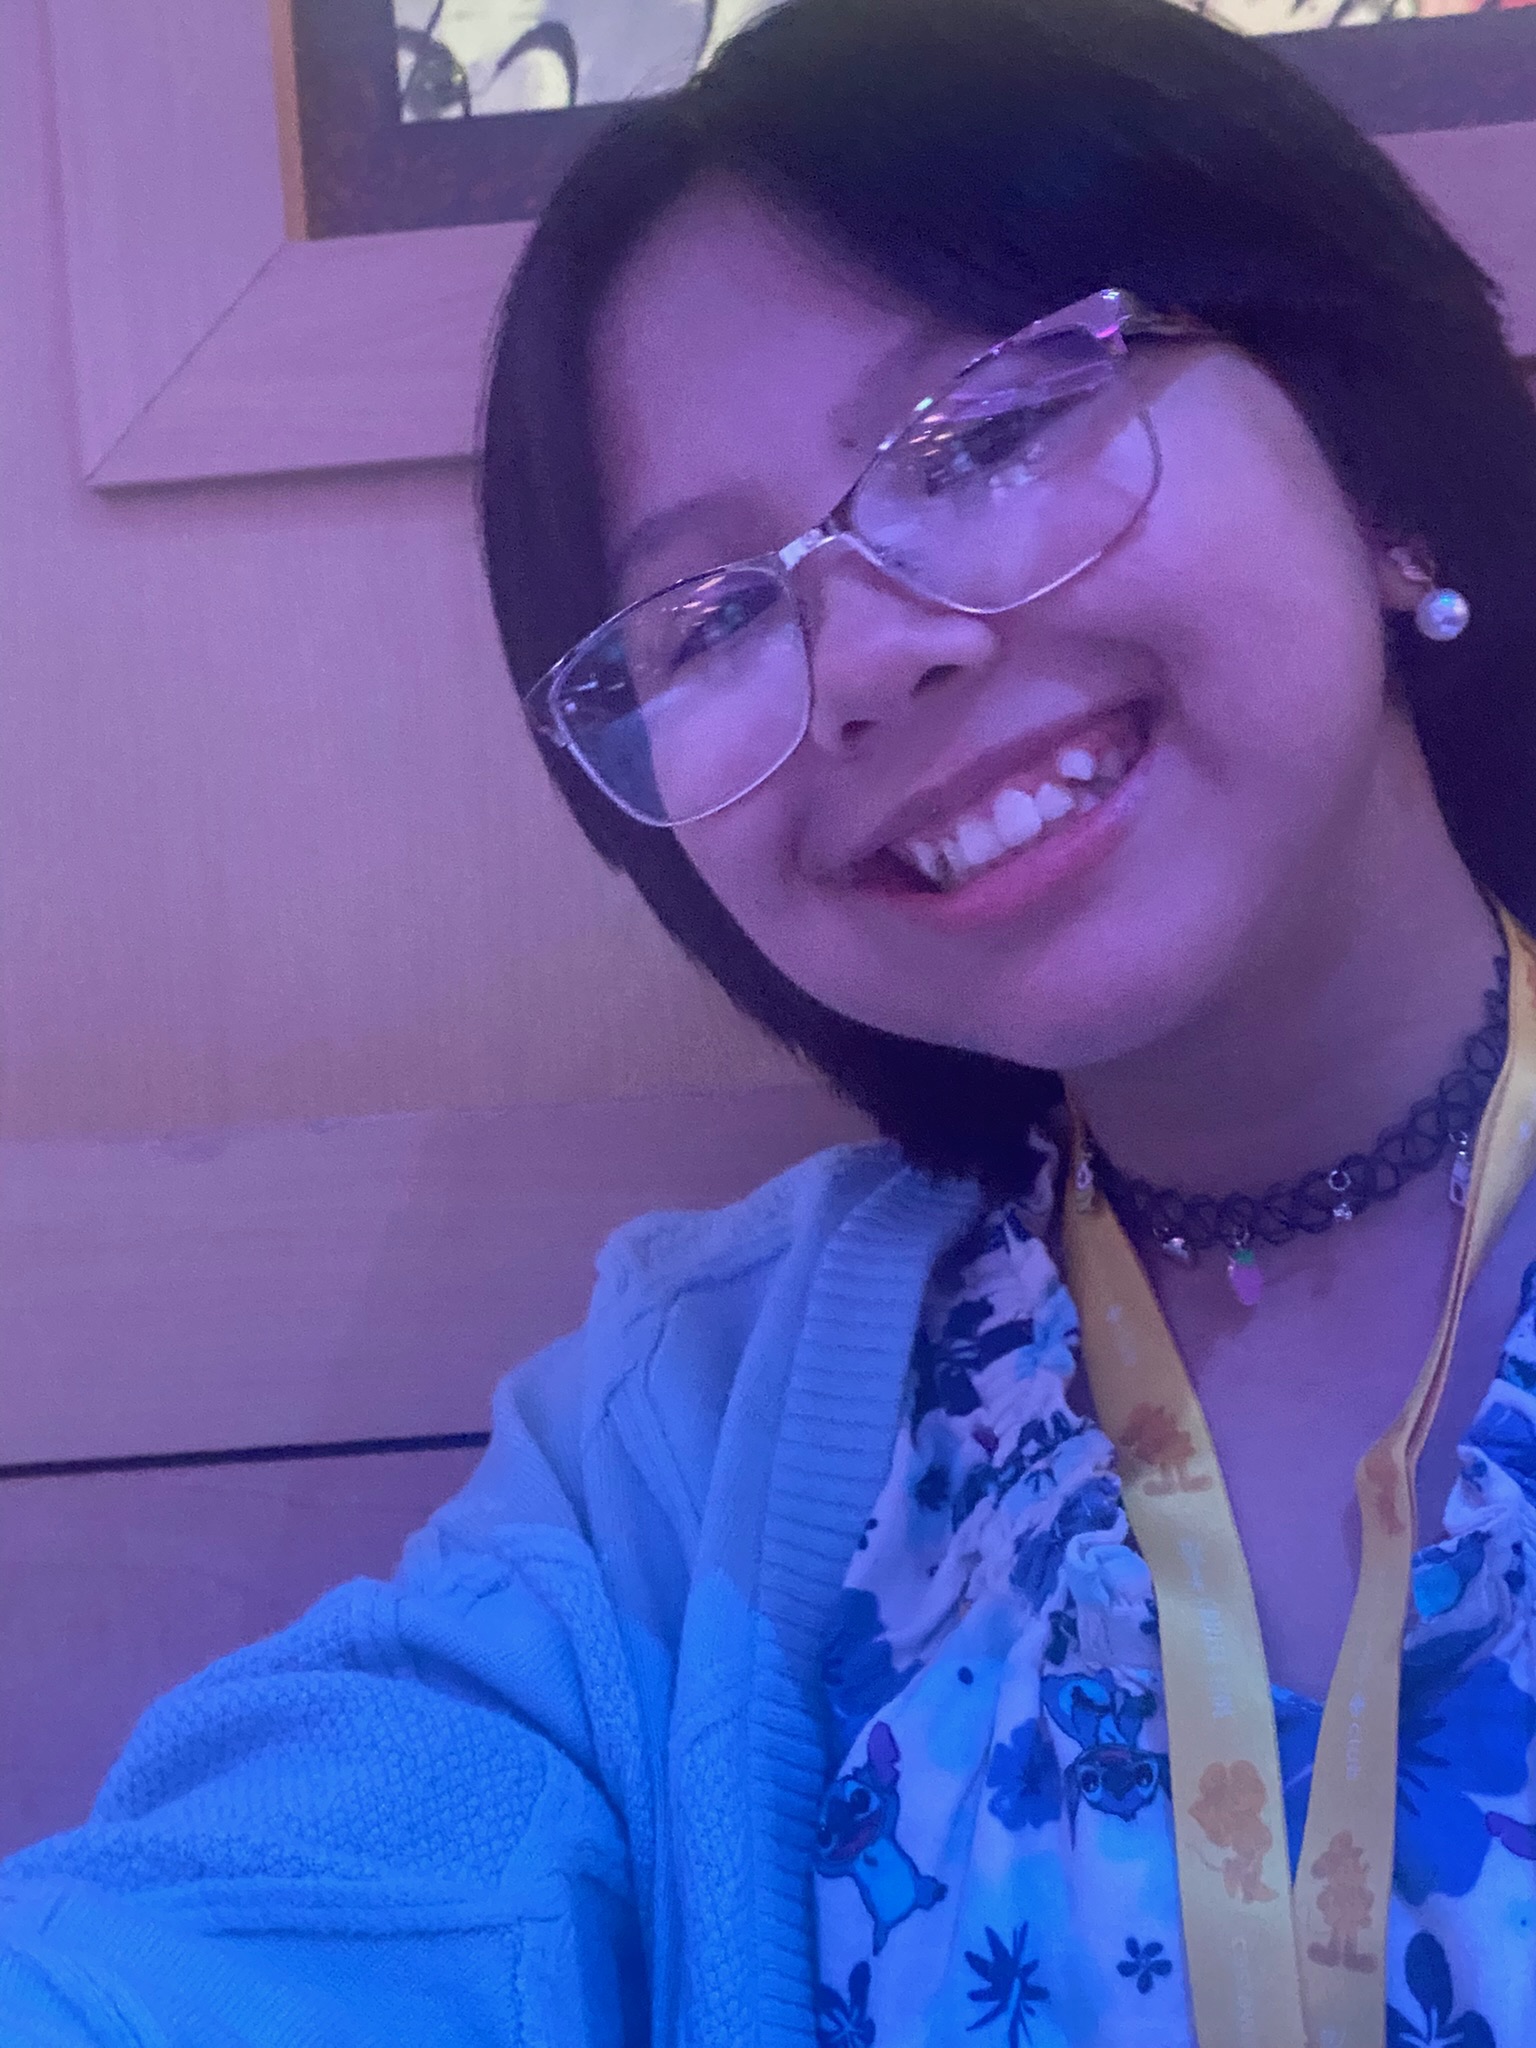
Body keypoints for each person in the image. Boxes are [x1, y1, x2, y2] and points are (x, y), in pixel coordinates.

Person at [4, 0, 1535, 2040]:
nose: (869, 655)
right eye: (712, 616)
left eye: (986, 431)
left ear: (1371, 460)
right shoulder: (696, 1427)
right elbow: (222, 1934)